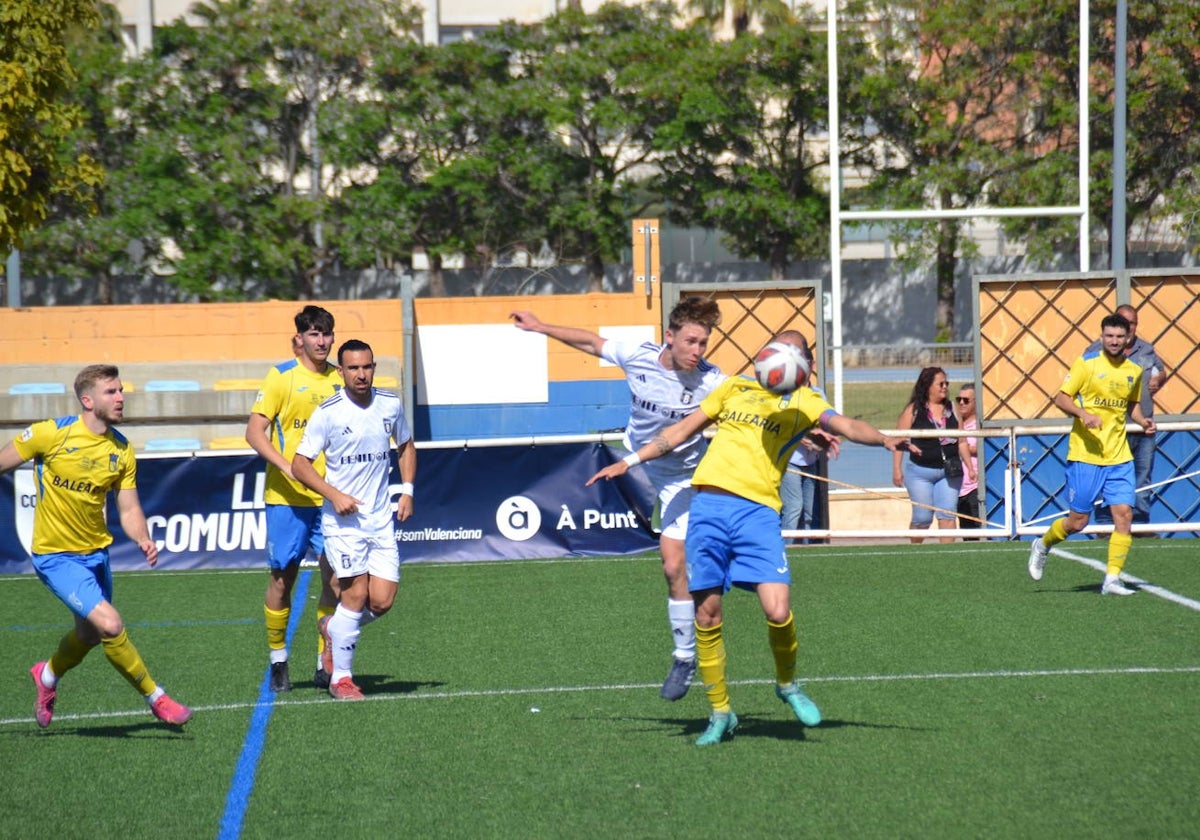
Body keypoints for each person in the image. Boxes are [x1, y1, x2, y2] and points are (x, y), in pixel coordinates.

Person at [587, 331, 915, 746]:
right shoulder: (735, 387)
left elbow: (846, 424)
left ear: (803, 365)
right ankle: (721, 712)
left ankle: (788, 685)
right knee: (706, 614)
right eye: (775, 346)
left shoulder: (805, 402)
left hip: (758, 513)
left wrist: (883, 439)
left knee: (778, 610)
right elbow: (681, 431)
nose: (777, 355)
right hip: (706, 508)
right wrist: (630, 461)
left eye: (790, 350)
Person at [511, 297, 725, 702]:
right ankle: (686, 652)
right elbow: (592, 343)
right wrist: (541, 328)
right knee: (675, 567)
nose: (698, 351)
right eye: (691, 341)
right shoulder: (640, 355)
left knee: (675, 563)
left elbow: (752, 408)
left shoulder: (712, 381)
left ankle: (685, 655)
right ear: (670, 337)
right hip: (642, 463)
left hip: (685, 478)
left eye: (704, 342)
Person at [0, 365, 193, 728]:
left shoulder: (121, 449)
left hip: (96, 555)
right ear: (87, 400)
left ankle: (47, 675)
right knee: (111, 624)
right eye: (111, 392)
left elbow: (130, 506)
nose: (120, 398)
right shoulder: (48, 435)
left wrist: (142, 537)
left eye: (121, 391)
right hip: (55, 557)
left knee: (88, 634)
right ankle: (157, 698)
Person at [292, 340, 416, 700]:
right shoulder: (328, 412)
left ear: (373, 367)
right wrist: (334, 494)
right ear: (342, 371)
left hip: (380, 521)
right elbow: (300, 464)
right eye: (353, 368)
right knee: (355, 596)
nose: (361, 374)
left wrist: (407, 490)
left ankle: (334, 628)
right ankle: (341, 679)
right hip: (343, 523)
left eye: (367, 367)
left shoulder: (390, 404)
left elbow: (406, 445)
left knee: (382, 602)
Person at [246, 305, 343, 692]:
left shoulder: (341, 379)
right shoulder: (281, 377)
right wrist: (287, 467)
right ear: (299, 338)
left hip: (330, 497)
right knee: (282, 577)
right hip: (288, 498)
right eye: (314, 334)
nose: (321, 341)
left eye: (326, 333)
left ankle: (326, 660)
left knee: (337, 579)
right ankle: (278, 659)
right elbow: (255, 433)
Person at [1027, 312, 1155, 595]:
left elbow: (1131, 406)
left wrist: (1143, 420)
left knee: (1124, 515)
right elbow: (1061, 397)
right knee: (1078, 522)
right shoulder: (1087, 364)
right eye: (1109, 336)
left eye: (1119, 337)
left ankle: (1112, 579)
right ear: (1101, 337)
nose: (1114, 341)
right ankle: (1043, 544)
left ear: (1128, 339)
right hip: (1086, 456)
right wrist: (1082, 414)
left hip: (1119, 457)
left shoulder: (1134, 371)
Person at [1084, 304, 1167, 529]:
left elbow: (1161, 372)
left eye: (1133, 323)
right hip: (1110, 428)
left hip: (1141, 425)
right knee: (1106, 476)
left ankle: (1138, 524)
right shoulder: (1093, 351)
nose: (1129, 328)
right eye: (1124, 322)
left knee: (1142, 475)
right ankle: (1104, 524)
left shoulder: (1146, 349)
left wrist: (1158, 380)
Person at [892, 367, 976, 543]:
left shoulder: (952, 408)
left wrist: (969, 466)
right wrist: (897, 470)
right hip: (920, 471)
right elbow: (900, 441)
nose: (945, 387)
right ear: (928, 386)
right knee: (922, 518)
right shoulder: (913, 410)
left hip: (949, 471)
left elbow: (961, 440)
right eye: (940, 384)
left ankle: (947, 557)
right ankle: (914, 552)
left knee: (947, 515)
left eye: (947, 383)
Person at [780, 344, 839, 545]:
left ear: (811, 364)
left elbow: (827, 421)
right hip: (790, 461)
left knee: (809, 511)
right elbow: (780, 424)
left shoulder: (818, 394)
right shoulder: (785, 393)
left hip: (811, 461)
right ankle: (785, 550)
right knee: (793, 507)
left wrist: (824, 439)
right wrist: (802, 437)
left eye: (805, 361)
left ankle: (806, 552)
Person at [955, 384, 982, 539]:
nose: (962, 403)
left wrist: (962, 445)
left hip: (975, 485)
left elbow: (981, 448)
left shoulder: (979, 426)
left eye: (966, 400)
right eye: (959, 400)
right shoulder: (956, 425)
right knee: (967, 533)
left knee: (980, 527)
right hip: (959, 487)